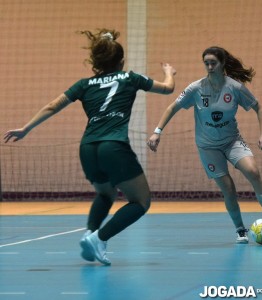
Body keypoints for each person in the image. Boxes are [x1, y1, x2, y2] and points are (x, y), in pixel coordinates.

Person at [4, 28, 176, 264]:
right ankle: (99, 238)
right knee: (140, 201)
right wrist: (169, 72)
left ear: (96, 61)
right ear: (121, 61)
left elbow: (54, 105)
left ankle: (89, 234)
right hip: (113, 146)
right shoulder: (131, 77)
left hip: (88, 148)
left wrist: (26, 128)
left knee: (105, 193)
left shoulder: (84, 84)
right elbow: (168, 89)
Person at [147, 46, 262, 244]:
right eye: (206, 63)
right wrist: (157, 132)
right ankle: (240, 230)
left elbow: (259, 108)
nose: (210, 67)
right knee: (228, 188)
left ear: (222, 64)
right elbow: (172, 107)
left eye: (213, 63)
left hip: (232, 141)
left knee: (253, 172)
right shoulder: (196, 88)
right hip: (208, 147)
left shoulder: (235, 88)